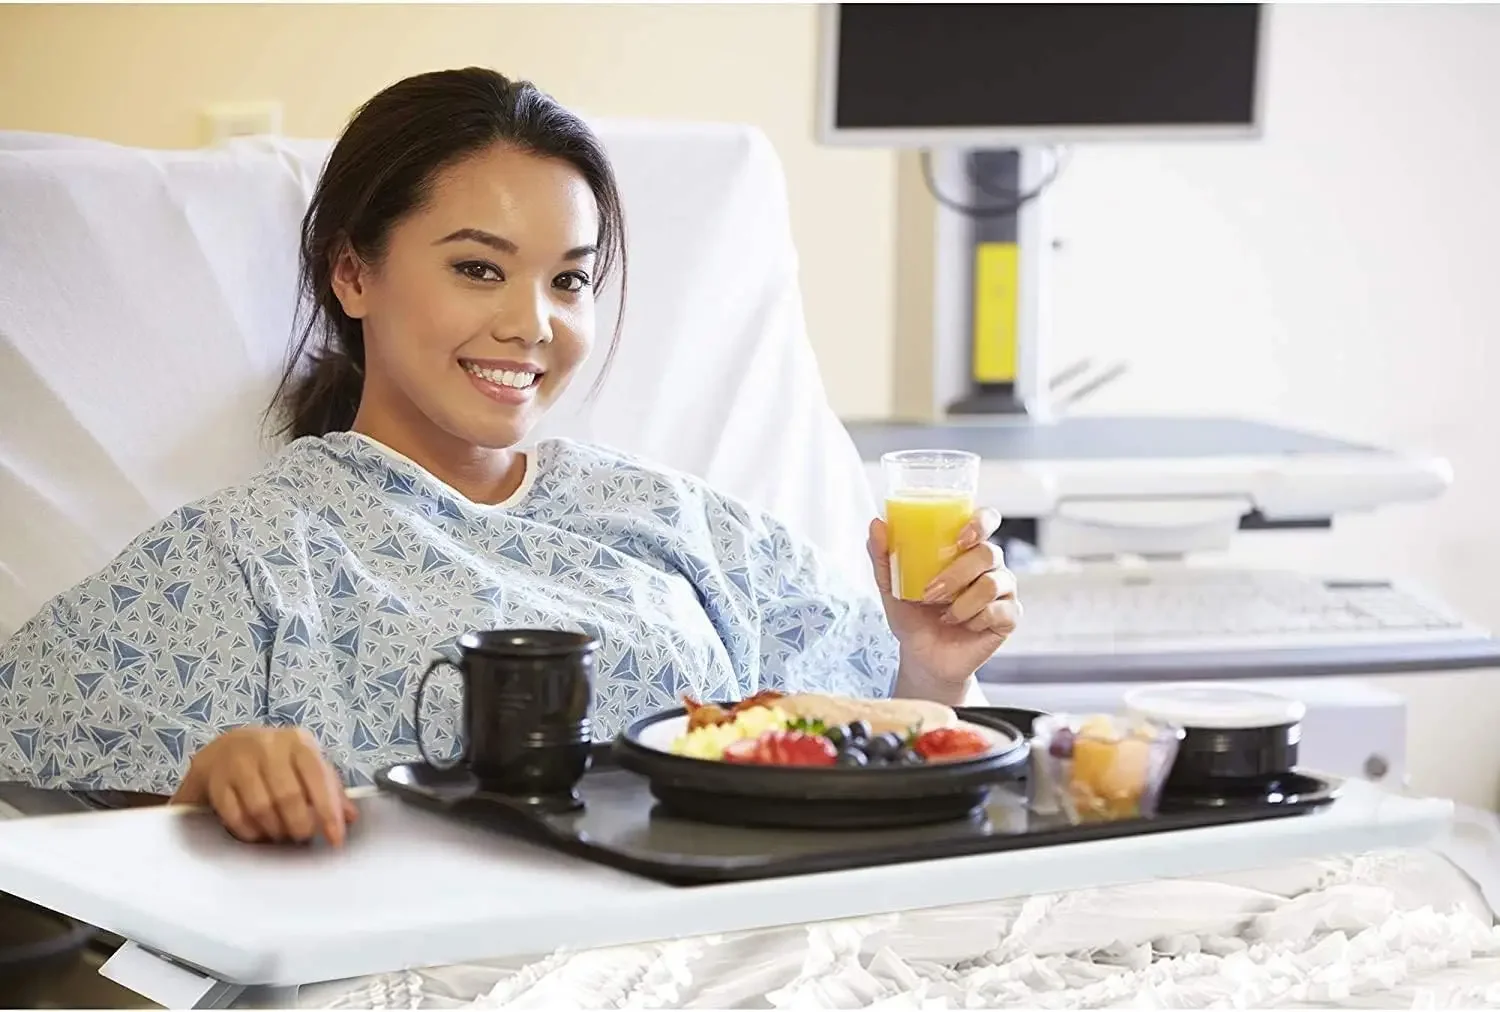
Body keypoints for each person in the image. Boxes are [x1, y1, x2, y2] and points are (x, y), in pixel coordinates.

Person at [0, 67, 1019, 847]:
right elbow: (105, 847)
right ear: (353, 272)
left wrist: (930, 668)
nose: (531, 325)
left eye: (568, 281)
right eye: (478, 268)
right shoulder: (246, 555)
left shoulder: (681, 528)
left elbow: (876, 757)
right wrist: (211, 784)